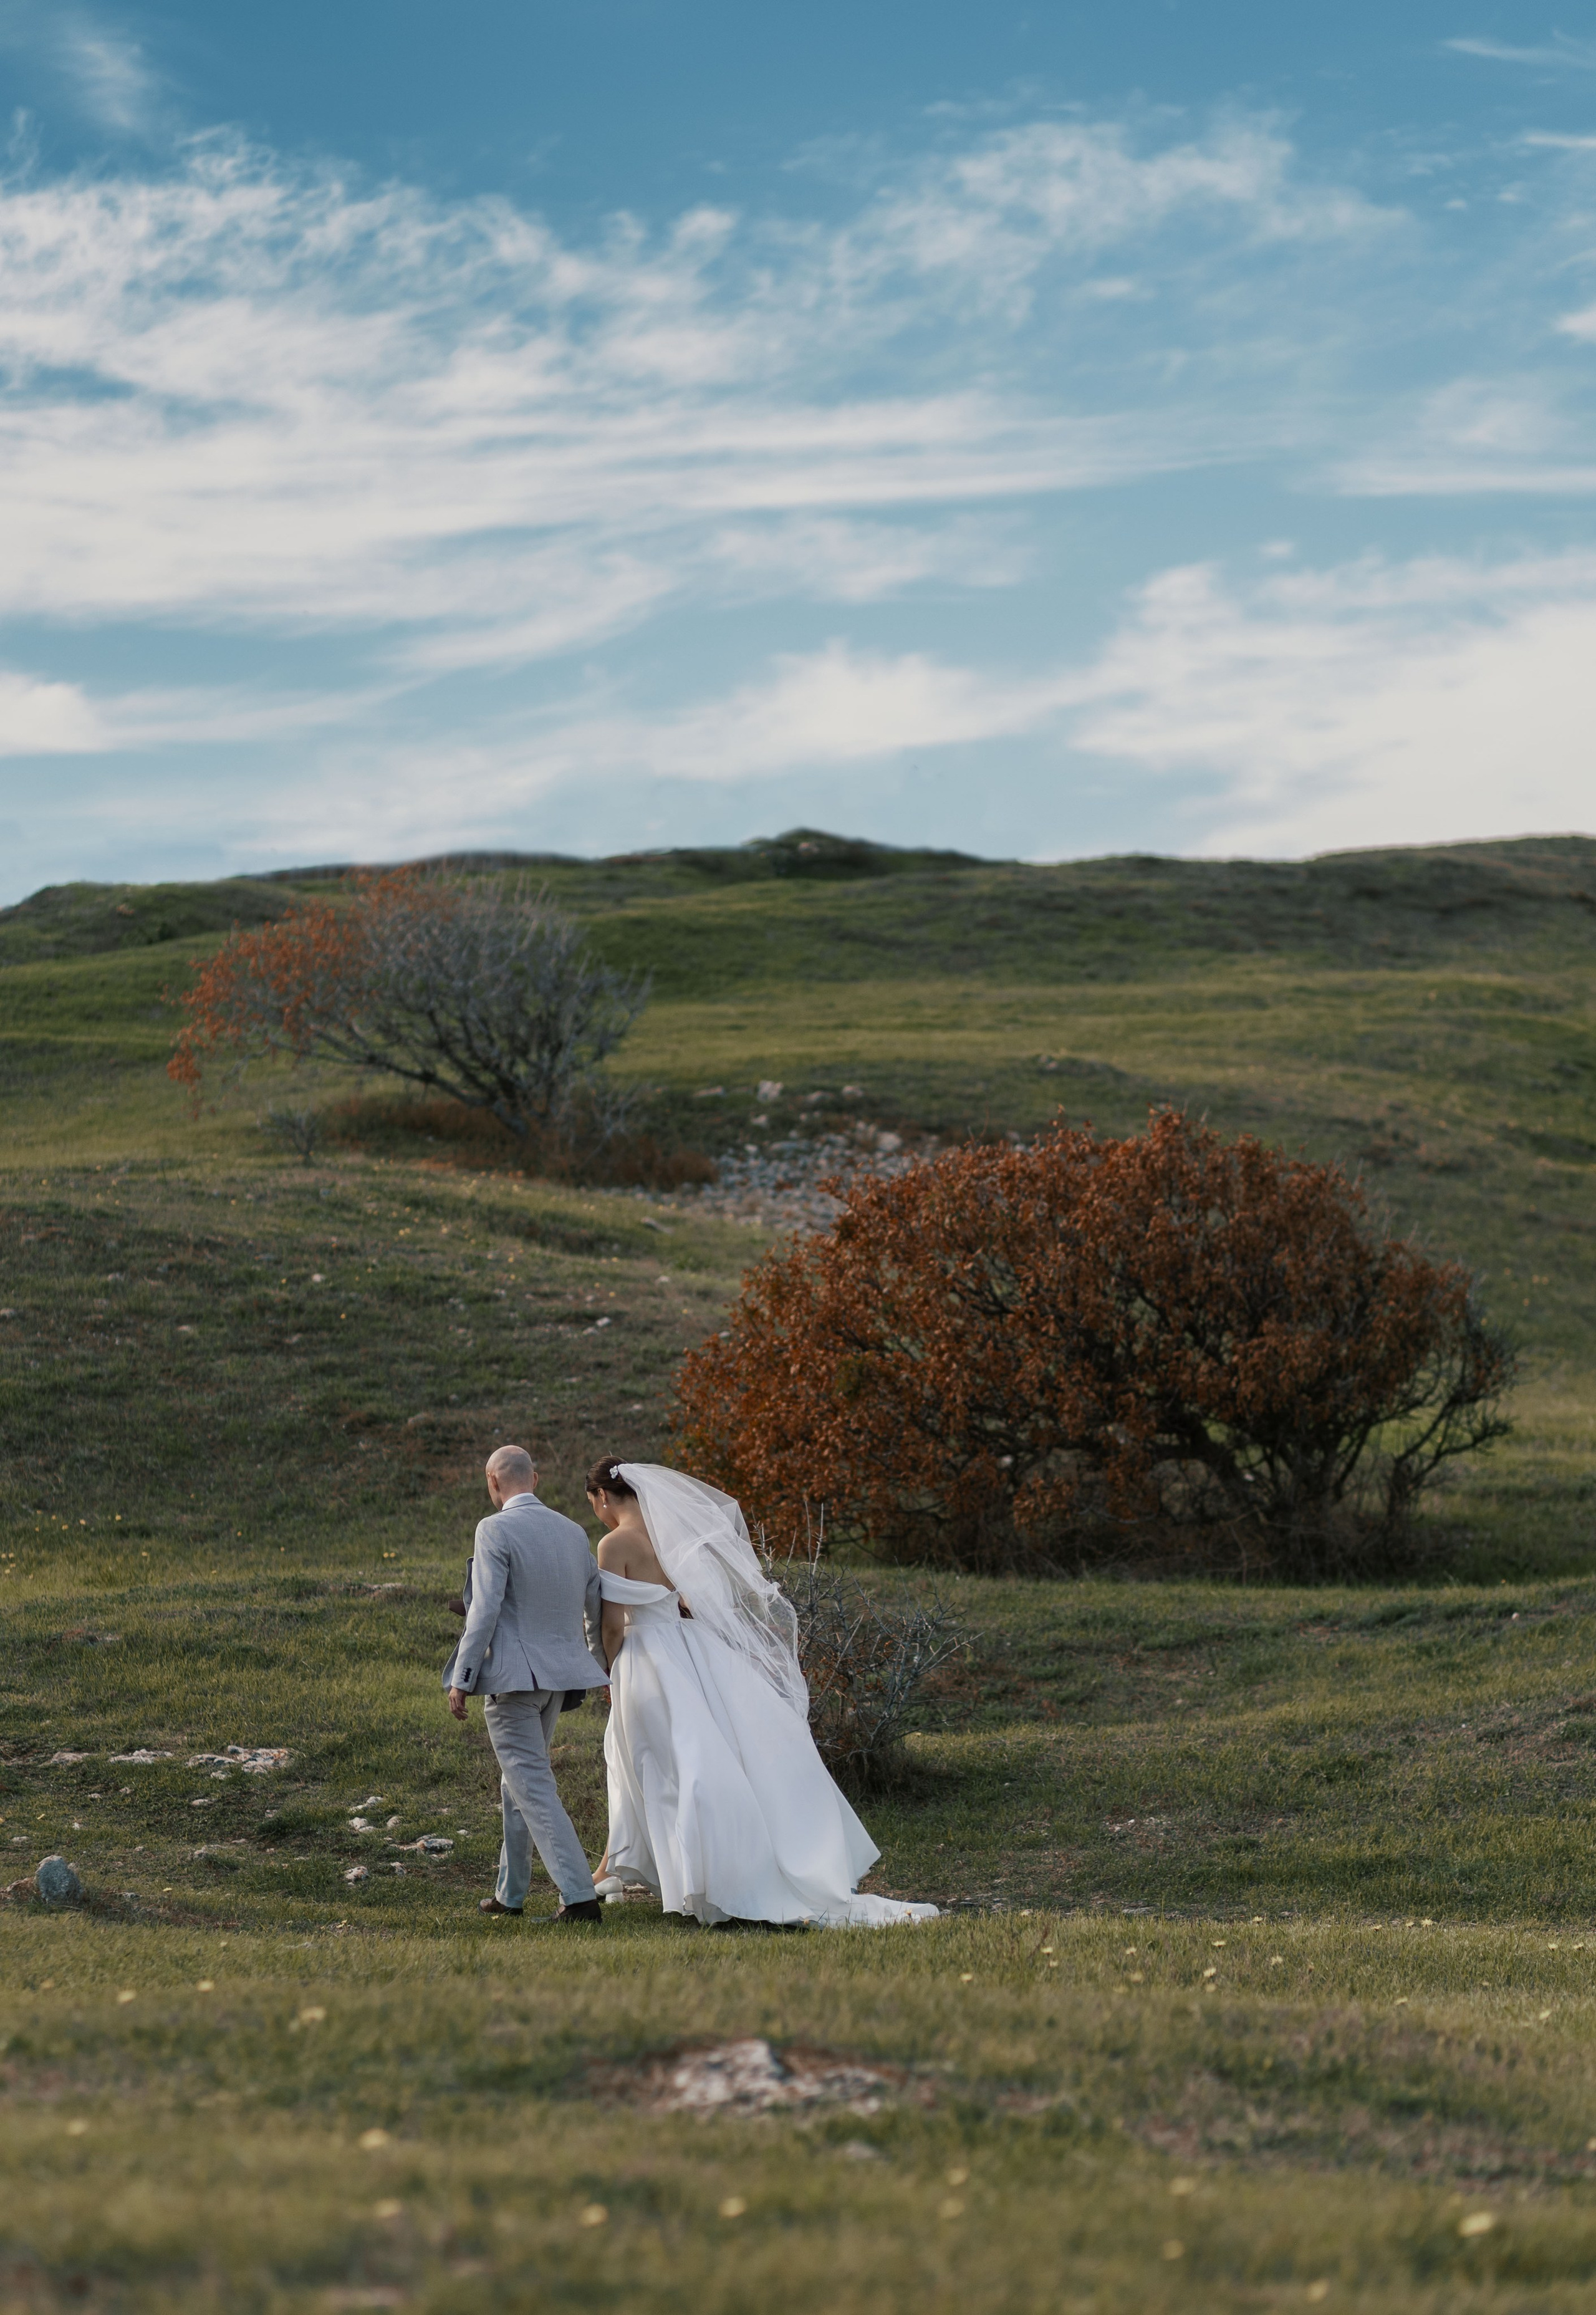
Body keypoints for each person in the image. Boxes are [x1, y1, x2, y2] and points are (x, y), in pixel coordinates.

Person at [585, 1455, 938, 1929]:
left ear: (602, 1496)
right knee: (681, 1758)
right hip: (690, 1650)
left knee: (659, 1764)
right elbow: (692, 1599)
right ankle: (615, 1867)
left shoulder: (614, 1544)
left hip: (646, 1656)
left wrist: (608, 1666)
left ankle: (700, 1878)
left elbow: (613, 1623)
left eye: (595, 1505)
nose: (598, 1514)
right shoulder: (670, 1533)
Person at [443, 1443, 608, 1924]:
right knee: (515, 1784)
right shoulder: (575, 1532)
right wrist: (597, 1664)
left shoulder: (493, 1528)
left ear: (493, 1482)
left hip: (515, 1682)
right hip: (558, 1681)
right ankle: (510, 1894)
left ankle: (580, 1899)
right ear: (534, 1479)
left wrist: (462, 1677)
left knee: (532, 1786)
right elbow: (594, 1605)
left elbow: (486, 1608)